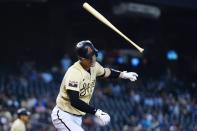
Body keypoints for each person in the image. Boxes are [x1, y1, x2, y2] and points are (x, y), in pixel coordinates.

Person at [51, 40, 138, 131]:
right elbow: (74, 101)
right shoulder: (74, 73)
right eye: (89, 57)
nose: (93, 59)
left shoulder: (94, 66)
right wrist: (97, 112)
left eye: (93, 54)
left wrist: (123, 75)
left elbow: (106, 72)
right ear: (81, 58)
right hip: (63, 115)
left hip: (77, 117)